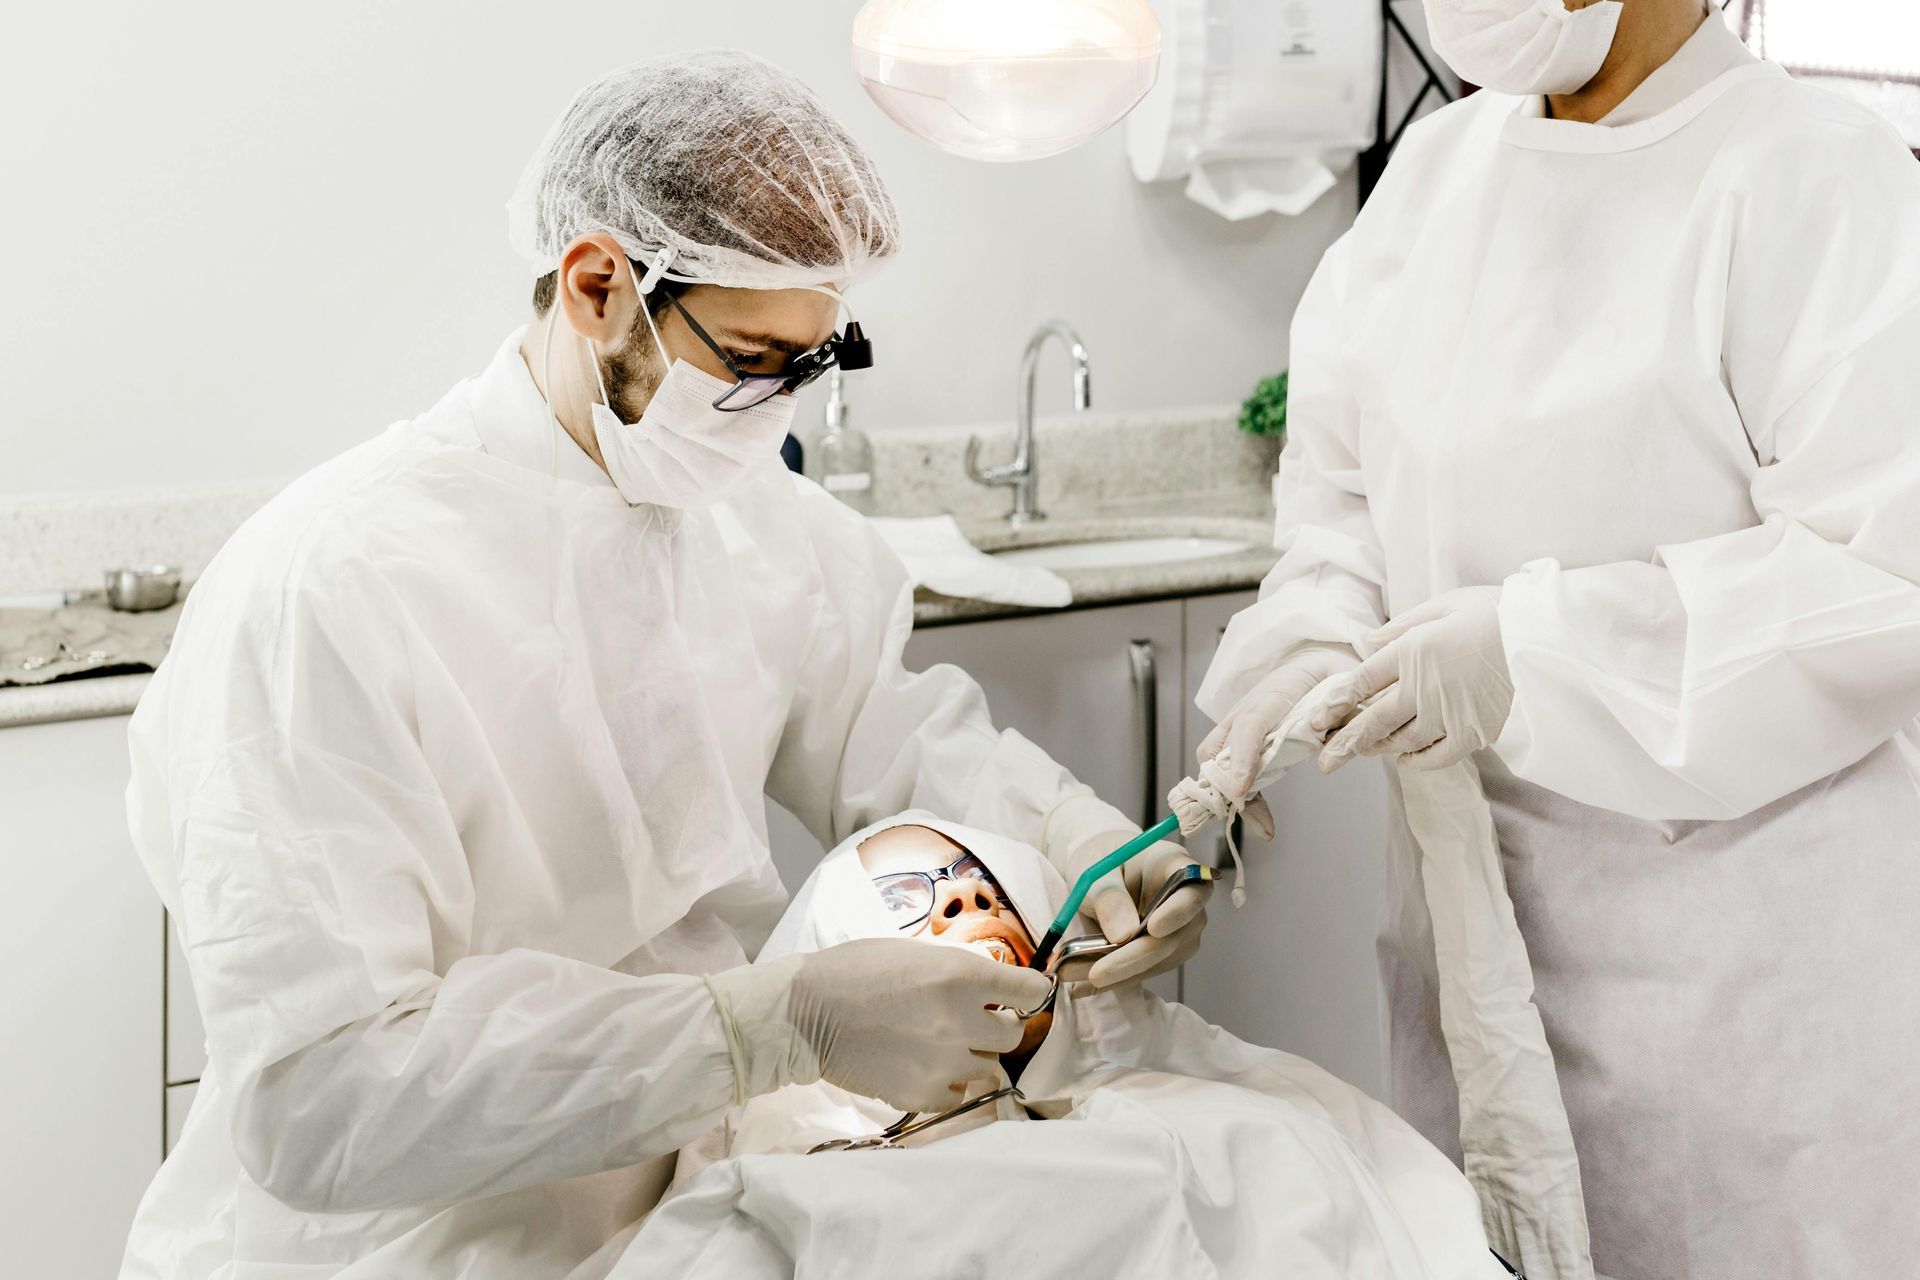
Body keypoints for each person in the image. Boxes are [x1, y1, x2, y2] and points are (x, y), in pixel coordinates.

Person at [119, 51, 1208, 1279]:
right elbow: (325, 1096)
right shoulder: (328, 588)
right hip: (432, 1217)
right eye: (750, 362)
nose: (777, 415)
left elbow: (889, 735)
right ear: (597, 285)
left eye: (814, 361)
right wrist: (766, 1025)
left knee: (1192, 1180)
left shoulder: (745, 515)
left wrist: (1077, 840)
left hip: (709, 1160)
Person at [1194, 2, 1920, 1276]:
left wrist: (1534, 652)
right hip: (1469, 947)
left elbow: (1880, 573)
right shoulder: (1435, 175)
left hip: (1736, 997)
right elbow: (1343, 495)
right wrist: (1308, 640)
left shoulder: (1816, 174)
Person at [615, 813, 1508, 1280]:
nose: (962, 904)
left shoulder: (1231, 1113)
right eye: (912, 900)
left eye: (977, 887)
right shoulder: (786, 1193)